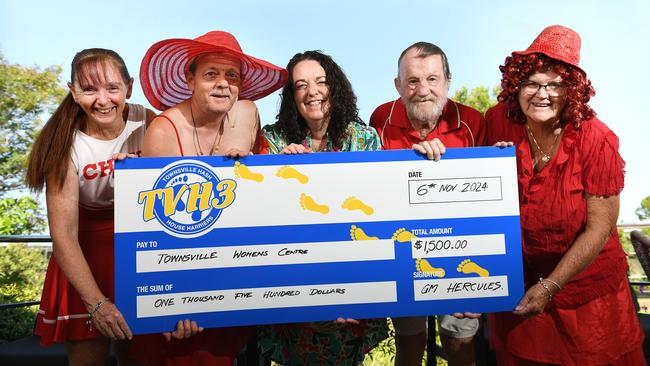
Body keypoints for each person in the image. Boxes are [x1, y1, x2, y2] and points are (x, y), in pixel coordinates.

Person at [485, 25, 645, 365]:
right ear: (516, 86)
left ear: (571, 90)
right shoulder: (498, 121)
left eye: (555, 84)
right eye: (531, 83)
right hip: (520, 291)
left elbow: (599, 229)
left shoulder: (597, 139)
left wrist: (550, 286)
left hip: (586, 299)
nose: (542, 94)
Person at [133, 30, 288, 365]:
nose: (222, 84)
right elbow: (156, 232)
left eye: (232, 76)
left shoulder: (245, 112)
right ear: (190, 79)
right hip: (182, 293)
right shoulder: (163, 131)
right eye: (211, 74)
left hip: (230, 282)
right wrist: (169, 305)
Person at [256, 50, 387, 365]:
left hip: (352, 285)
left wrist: (362, 294)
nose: (312, 91)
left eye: (320, 82)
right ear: (291, 96)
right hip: (293, 285)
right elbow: (260, 206)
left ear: (335, 87)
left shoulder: (365, 138)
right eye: (300, 85)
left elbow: (379, 212)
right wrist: (278, 172)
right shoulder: (272, 140)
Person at [26, 48, 155, 365]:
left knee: (140, 355)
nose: (102, 99)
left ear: (129, 87)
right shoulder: (65, 144)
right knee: (89, 357)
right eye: (88, 89)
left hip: (138, 250)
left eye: (112, 88)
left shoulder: (147, 120)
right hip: (85, 253)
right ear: (73, 92)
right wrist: (97, 303)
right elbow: (64, 235)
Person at [369, 42, 486, 366]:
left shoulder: (473, 122)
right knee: (409, 343)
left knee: (460, 343)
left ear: (447, 81)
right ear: (398, 85)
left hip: (459, 249)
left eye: (432, 79)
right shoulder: (380, 118)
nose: (423, 90)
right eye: (412, 81)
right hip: (403, 249)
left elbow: (489, 202)